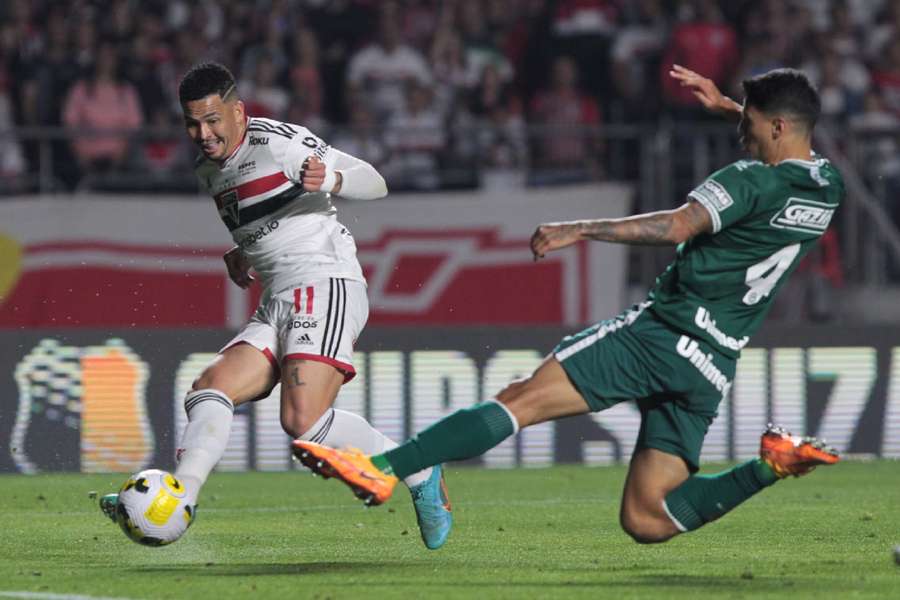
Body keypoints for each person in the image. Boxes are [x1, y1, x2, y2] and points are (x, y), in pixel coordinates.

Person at [295, 66, 842, 545]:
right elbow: (781, 147)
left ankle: (384, 468)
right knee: (649, 518)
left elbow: (677, 225)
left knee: (521, 401)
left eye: (749, 123)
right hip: (713, 361)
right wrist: (727, 106)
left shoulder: (747, 180)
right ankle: (772, 465)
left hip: (661, 334)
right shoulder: (827, 185)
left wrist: (578, 228)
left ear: (777, 126)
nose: (741, 133)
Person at [98, 62, 452, 550]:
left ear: (238, 112)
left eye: (213, 120)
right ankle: (181, 498)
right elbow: (263, 219)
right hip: (278, 295)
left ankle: (420, 468)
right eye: (193, 123)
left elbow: (375, 181)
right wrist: (246, 250)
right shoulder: (208, 166)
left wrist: (331, 179)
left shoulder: (277, 143)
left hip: (324, 282)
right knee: (209, 388)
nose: (204, 134)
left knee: (302, 422)